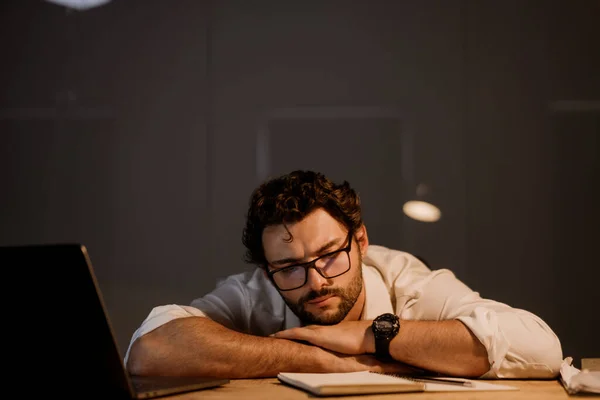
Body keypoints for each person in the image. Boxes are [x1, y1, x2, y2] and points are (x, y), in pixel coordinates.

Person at [125, 170, 562, 379]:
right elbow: (151, 347)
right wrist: (309, 357)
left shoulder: (405, 279)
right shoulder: (257, 291)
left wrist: (372, 335)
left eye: (330, 255)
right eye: (290, 267)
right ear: (268, 269)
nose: (316, 281)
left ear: (361, 242)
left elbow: (541, 347)